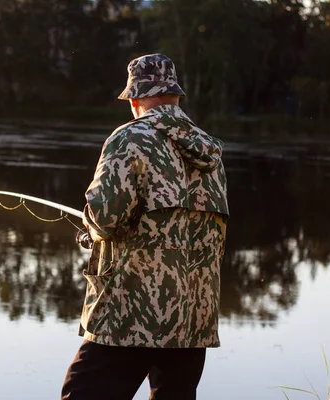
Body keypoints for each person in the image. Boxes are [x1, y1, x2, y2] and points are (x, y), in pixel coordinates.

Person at [61, 53, 229, 400]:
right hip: (192, 319)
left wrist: (88, 223)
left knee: (81, 393)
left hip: (132, 311)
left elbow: (105, 218)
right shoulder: (210, 151)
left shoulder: (130, 139)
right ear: (175, 96)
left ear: (134, 98)